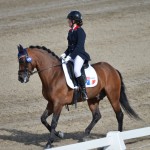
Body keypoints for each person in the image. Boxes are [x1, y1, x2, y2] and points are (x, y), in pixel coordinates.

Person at [60, 11, 91, 100]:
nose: (68, 21)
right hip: (72, 54)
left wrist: (70, 56)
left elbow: (79, 47)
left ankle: (84, 91)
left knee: (77, 70)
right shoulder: (70, 31)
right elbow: (70, 47)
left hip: (80, 55)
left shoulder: (80, 31)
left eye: (69, 20)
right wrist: (65, 54)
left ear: (74, 21)